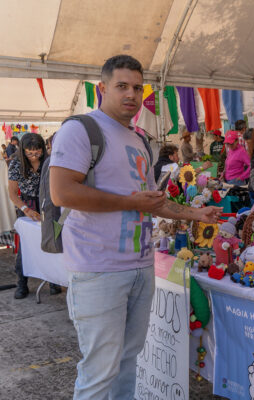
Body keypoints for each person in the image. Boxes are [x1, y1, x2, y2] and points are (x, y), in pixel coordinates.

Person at [49, 54, 222, 399]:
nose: (131, 94)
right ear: (102, 89)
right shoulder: (81, 129)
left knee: (129, 364)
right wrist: (130, 202)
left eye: (138, 87)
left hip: (141, 267)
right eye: (122, 86)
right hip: (98, 269)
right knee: (99, 371)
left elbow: (151, 201)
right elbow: (62, 192)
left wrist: (195, 215)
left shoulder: (141, 139)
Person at [8, 133, 62, 299]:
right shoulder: (16, 163)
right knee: (26, 245)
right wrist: (26, 210)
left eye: (37, 152)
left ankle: (54, 279)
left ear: (43, 149)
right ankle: (22, 283)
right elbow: (12, 194)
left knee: (52, 241)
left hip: (48, 203)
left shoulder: (49, 161)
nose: (33, 156)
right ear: (23, 151)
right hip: (27, 205)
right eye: (29, 153)